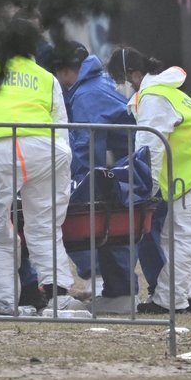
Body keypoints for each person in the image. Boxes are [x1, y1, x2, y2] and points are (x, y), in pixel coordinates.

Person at [0, 18, 84, 314]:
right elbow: (61, 124)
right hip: (45, 150)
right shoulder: (44, 77)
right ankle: (58, 295)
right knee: (44, 226)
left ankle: (3, 301)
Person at [106, 48, 191, 314]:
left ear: (134, 75)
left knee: (186, 237)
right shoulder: (163, 92)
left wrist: (145, 190)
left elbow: (150, 149)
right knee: (177, 236)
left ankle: (168, 301)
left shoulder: (154, 98)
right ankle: (188, 297)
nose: (118, 87)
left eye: (118, 80)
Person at [49, 41, 140, 314]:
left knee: (108, 227)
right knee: (116, 228)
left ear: (65, 72)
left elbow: (86, 145)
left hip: (119, 169)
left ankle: (120, 292)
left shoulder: (87, 94)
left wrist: (79, 182)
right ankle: (118, 291)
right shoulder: (96, 83)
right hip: (128, 166)